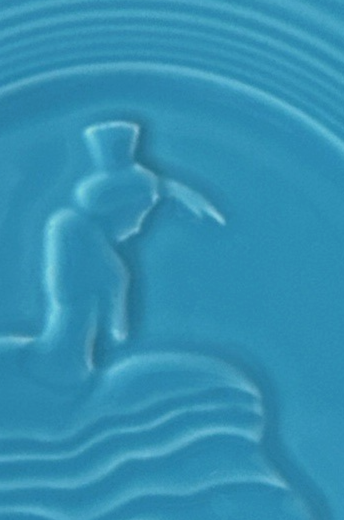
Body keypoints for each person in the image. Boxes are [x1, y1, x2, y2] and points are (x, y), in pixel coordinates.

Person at [35, 120, 224, 378]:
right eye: (138, 213)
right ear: (115, 207)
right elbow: (100, 283)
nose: (138, 226)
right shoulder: (69, 227)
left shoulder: (76, 226)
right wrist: (116, 307)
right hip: (65, 354)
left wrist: (172, 189)